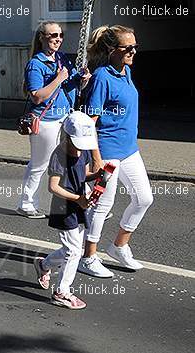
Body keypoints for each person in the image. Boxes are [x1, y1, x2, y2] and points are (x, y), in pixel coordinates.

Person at [78, 25, 154, 277]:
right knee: (102, 204)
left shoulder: (126, 72)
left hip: (129, 149)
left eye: (135, 47)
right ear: (112, 49)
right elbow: (90, 123)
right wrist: (95, 158)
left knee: (144, 198)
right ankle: (88, 256)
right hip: (108, 150)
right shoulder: (102, 76)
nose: (133, 52)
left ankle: (119, 246)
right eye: (127, 48)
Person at [16, 22, 91, 219]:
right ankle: (26, 203)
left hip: (65, 117)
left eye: (60, 35)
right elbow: (36, 96)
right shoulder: (36, 64)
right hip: (46, 121)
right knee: (40, 164)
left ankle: (82, 199)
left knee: (71, 160)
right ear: (42, 38)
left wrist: (83, 78)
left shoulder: (62, 58)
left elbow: (72, 82)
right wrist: (58, 79)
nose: (58, 39)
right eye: (53, 35)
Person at [33, 111, 101, 310]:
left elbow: (84, 173)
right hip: (64, 207)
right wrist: (78, 198)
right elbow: (52, 187)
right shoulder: (59, 155)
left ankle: (43, 265)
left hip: (78, 204)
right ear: (67, 136)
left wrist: (98, 175)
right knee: (73, 251)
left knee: (71, 250)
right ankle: (62, 291)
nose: (81, 147)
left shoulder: (84, 149)